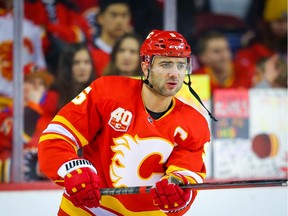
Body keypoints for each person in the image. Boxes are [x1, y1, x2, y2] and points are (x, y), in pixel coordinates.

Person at [38, 29, 211, 215]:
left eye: (181, 65)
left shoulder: (194, 123)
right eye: (166, 64)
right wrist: (73, 170)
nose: (174, 74)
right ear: (146, 66)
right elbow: (56, 138)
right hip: (89, 210)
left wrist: (178, 192)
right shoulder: (106, 92)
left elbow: (186, 174)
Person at [0, 63, 54, 182]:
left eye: (41, 84)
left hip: (41, 189)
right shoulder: (5, 116)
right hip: (10, 188)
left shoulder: (50, 121)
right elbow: (21, 137)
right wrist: (32, 105)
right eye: (31, 82)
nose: (36, 87)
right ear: (19, 86)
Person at [90, 0, 132, 77]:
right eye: (113, 15)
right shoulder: (88, 53)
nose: (119, 21)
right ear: (100, 18)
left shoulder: (137, 55)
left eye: (124, 15)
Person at [51, 43, 96, 110]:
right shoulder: (54, 96)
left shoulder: (97, 93)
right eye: (76, 62)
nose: (82, 67)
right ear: (66, 67)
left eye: (86, 62)